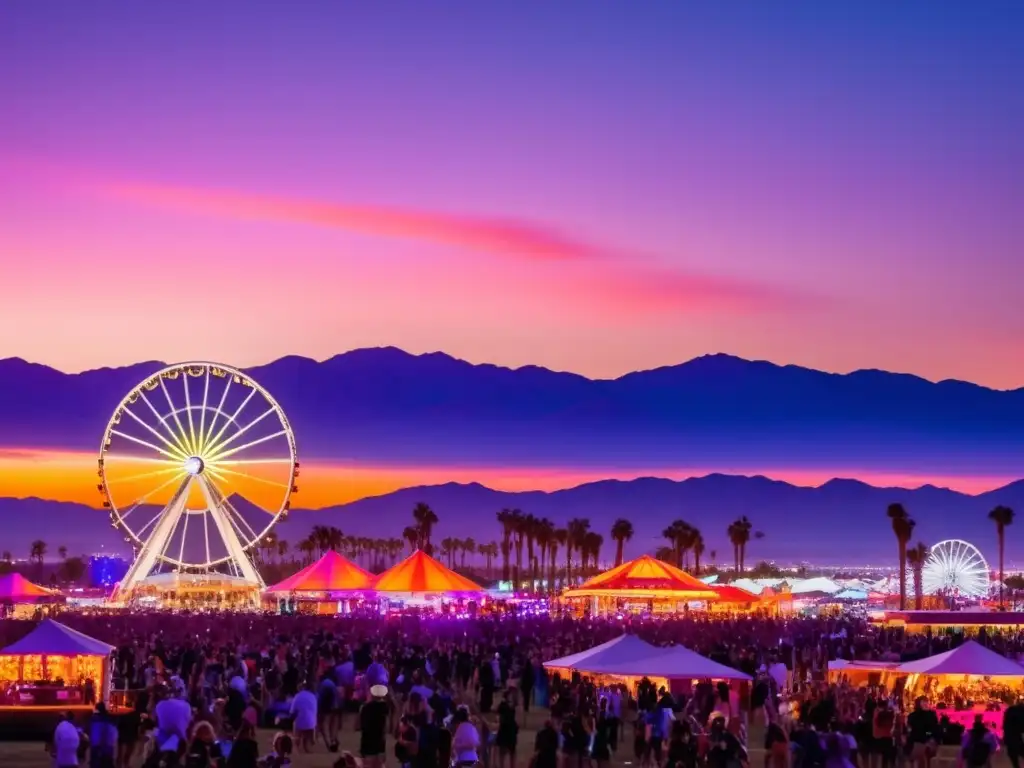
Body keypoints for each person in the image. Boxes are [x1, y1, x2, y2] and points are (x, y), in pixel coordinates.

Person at [360, 684, 391, 768]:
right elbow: (386, 726)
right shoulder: (385, 707)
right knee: (379, 763)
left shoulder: (365, 707)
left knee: (367, 764)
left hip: (367, 739)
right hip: (379, 738)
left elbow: (359, 725)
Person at [905, 697, 939, 768]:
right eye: (923, 702)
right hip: (918, 741)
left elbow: (934, 729)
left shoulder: (932, 714)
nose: (926, 703)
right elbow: (913, 729)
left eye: (927, 701)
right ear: (919, 703)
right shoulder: (913, 716)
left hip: (928, 739)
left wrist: (929, 735)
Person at [289, 680, 317, 754]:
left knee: (296, 724)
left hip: (301, 723)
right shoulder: (313, 696)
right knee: (306, 723)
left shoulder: (297, 696)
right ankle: (306, 747)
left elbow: (292, 712)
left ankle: (296, 746)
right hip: (312, 724)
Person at [89, 703, 119, 768]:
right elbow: (114, 733)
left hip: (96, 747)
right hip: (108, 748)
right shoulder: (110, 719)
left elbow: (91, 732)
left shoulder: (94, 719)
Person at [496, 689, 519, 768]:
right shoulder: (502, 705)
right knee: (502, 751)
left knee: (512, 751)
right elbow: (498, 717)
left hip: (511, 730)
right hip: (504, 729)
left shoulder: (514, 706)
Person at [1005, 697, 1024, 768]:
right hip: (1016, 738)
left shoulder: (1010, 710)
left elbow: (1006, 725)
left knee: (1014, 760)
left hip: (1011, 739)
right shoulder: (1016, 711)